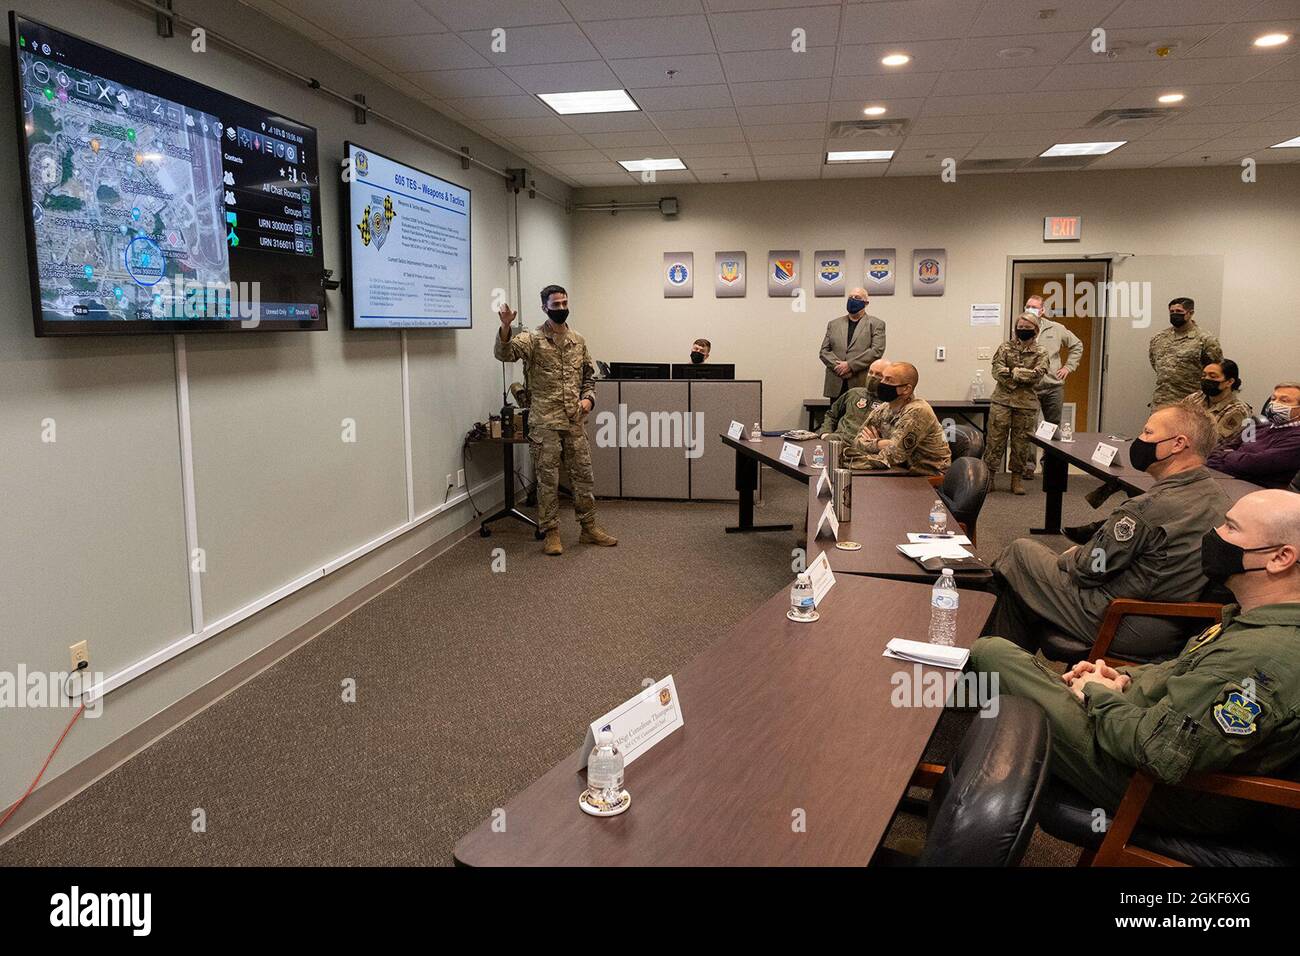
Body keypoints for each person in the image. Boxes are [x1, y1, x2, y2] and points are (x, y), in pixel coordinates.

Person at [970, 489, 1300, 835]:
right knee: (1011, 668)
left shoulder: (1262, 659)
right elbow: (1180, 673)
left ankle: (961, 802)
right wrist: (1122, 677)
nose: (1214, 535)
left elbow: (1159, 751)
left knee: (990, 653)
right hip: (1145, 732)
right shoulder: (1254, 620)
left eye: (1230, 528)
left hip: (1162, 789)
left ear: (1280, 557)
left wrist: (1099, 693)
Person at [986, 404, 1229, 652]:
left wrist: (1072, 556)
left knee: (1019, 554)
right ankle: (1000, 669)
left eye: (1147, 433)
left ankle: (980, 660)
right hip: (1177, 623)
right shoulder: (1220, 498)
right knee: (1022, 591)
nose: (1140, 440)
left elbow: (1088, 569)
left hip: (1122, 618)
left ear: (1178, 444)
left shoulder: (1145, 509)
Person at [495, 285, 617, 556]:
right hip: (545, 423)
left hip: (575, 420)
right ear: (544, 308)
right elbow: (505, 354)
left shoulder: (578, 340)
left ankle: (589, 528)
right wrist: (505, 328)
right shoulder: (532, 339)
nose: (561, 308)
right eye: (556, 304)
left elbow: (589, 377)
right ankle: (551, 532)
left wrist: (589, 400)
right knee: (547, 479)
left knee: (583, 476)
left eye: (564, 303)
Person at [843, 362, 951, 476]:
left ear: (906, 389)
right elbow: (857, 442)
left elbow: (894, 455)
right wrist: (883, 444)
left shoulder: (918, 411)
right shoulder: (884, 407)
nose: (882, 383)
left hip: (927, 476)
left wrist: (875, 444)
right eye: (883, 378)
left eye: (889, 380)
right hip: (899, 470)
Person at [984, 310, 1048, 495]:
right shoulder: (1005, 348)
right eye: (1020, 327)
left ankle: (1016, 480)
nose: (1023, 330)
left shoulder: (1041, 351)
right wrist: (1019, 376)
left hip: (1026, 404)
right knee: (995, 440)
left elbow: (1038, 375)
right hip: (1002, 402)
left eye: (1027, 328)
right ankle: (990, 478)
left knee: (1021, 444)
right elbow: (997, 371)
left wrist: (1014, 371)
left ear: (1035, 329)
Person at [1022, 294, 1083, 480]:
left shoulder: (1056, 329)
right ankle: (1028, 467)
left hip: (1053, 386)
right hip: (1030, 387)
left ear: (1042, 310)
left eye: (1034, 307)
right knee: (1029, 427)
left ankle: (1048, 465)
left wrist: (1068, 367)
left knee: (1052, 426)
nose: (1030, 309)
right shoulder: (1022, 328)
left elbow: (1077, 345)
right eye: (1027, 306)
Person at [1208, 382, 1300, 488]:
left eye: (1284, 400)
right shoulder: (1259, 427)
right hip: (1225, 477)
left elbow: (1255, 464)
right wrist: (1231, 457)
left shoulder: (1296, 438)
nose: (1274, 404)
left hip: (1255, 491)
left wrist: (1226, 456)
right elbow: (1221, 448)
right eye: (1273, 399)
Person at [1149, 296, 1222, 408]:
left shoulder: (1205, 340)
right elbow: (1156, 365)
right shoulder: (1159, 338)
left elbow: (1216, 371)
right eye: (1172, 311)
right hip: (1161, 402)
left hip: (1191, 404)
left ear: (1190, 313)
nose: (1174, 314)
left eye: (1179, 311)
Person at [819, 287, 886, 399]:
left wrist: (850, 365)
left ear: (866, 303)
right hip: (836, 381)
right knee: (835, 415)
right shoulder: (834, 324)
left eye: (857, 297)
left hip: (860, 382)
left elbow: (877, 351)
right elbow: (824, 351)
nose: (852, 300)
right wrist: (839, 367)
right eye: (850, 297)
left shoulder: (876, 324)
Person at [1181, 359, 1252, 444]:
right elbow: (1174, 419)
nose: (1206, 379)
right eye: (1204, 375)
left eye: (1213, 376)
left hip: (1217, 454)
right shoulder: (1195, 398)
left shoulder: (1238, 410)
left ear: (1229, 382)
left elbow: (1212, 442)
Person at [819, 357, 888, 443]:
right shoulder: (854, 393)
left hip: (864, 446)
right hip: (838, 440)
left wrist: (878, 442)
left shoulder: (889, 404)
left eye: (878, 374)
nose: (872, 377)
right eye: (870, 372)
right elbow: (832, 414)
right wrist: (825, 433)